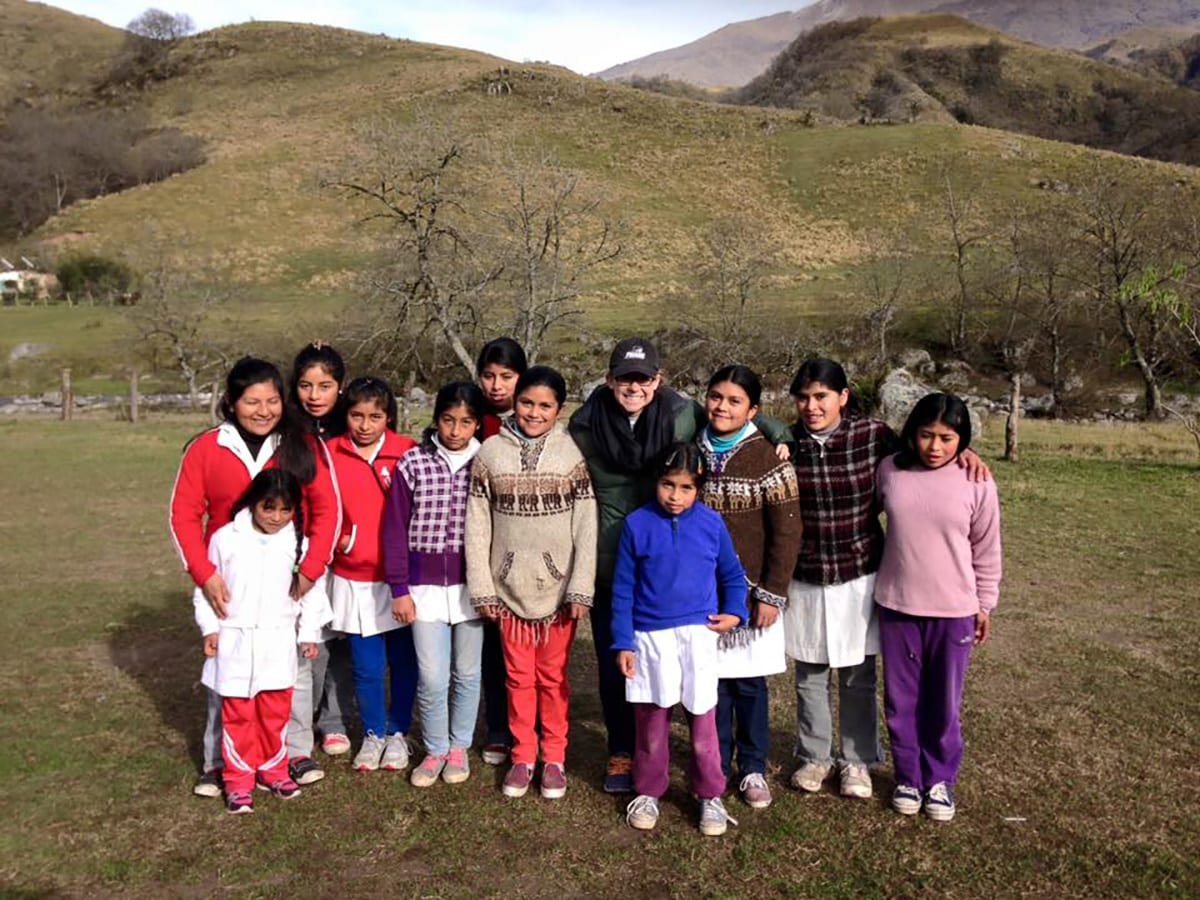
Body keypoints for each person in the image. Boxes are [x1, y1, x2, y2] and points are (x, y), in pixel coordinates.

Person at [569, 337, 792, 794]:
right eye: (624, 378)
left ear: (658, 379)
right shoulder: (587, 422)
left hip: (671, 557)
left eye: (643, 378)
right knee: (618, 665)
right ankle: (623, 750)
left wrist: (775, 428)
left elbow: (727, 410)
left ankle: (696, 758)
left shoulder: (680, 413)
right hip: (613, 557)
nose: (633, 387)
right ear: (610, 379)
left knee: (689, 672)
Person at [782, 359, 988, 801]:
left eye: (821, 396)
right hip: (807, 570)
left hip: (861, 571)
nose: (812, 406)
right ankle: (815, 755)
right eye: (803, 398)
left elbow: (926, 448)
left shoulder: (873, 437)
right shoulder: (786, 441)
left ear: (843, 396)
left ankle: (857, 760)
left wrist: (965, 450)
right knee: (810, 673)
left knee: (858, 673)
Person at [170, 356, 340, 798]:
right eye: (251, 402)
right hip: (228, 583)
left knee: (292, 675)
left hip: (288, 579)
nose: (263, 410)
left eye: (272, 400)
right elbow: (184, 516)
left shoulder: (301, 445)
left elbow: (327, 511)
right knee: (226, 673)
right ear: (231, 402)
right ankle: (219, 762)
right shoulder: (207, 447)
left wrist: (311, 568)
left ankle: (291, 754)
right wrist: (205, 576)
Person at [466, 366, 597, 800]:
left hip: (556, 592)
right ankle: (523, 756)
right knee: (518, 678)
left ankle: (554, 756)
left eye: (545, 406)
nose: (534, 413)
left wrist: (580, 587)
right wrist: (484, 585)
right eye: (526, 403)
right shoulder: (489, 454)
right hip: (508, 591)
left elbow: (585, 525)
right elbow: (478, 525)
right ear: (514, 402)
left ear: (559, 409)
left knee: (552, 677)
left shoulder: (570, 456)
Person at [875, 393, 1001, 822]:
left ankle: (940, 780)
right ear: (912, 432)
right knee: (900, 701)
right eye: (926, 435)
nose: (935, 447)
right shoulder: (890, 470)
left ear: (962, 439)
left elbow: (987, 549)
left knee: (943, 702)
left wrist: (985, 604)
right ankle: (908, 777)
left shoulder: (977, 481)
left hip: (954, 611)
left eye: (947, 438)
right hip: (897, 605)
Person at [613, 444, 748, 836]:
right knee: (653, 723)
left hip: (698, 635)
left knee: (704, 723)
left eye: (686, 488)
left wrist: (736, 611)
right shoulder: (637, 524)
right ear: (656, 482)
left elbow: (732, 575)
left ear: (699, 488)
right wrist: (624, 641)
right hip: (650, 637)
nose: (675, 496)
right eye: (668, 485)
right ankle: (650, 789)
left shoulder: (712, 524)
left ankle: (709, 794)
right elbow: (623, 589)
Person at [192, 469, 333, 814]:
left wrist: (310, 632)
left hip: (278, 643)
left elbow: (311, 593)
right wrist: (210, 628)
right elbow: (205, 588)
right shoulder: (226, 538)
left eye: (286, 511)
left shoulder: (299, 542)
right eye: (269, 508)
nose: (276, 518)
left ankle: (273, 770)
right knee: (238, 714)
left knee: (274, 712)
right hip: (235, 642)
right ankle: (238, 781)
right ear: (254, 503)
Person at [698, 366, 803, 811]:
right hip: (702, 597)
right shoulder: (692, 453)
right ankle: (717, 762)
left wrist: (771, 594)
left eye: (734, 401)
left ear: (753, 411)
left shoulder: (768, 461)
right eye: (716, 397)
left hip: (751, 595)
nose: (722, 407)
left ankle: (753, 765)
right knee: (713, 686)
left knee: (748, 686)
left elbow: (787, 534)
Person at [383, 382, 487, 788]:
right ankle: (435, 747)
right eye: (448, 420)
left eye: (465, 423)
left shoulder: (487, 462)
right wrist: (399, 588)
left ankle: (459, 746)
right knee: (432, 675)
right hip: (423, 589)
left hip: (471, 586)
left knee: (467, 672)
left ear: (477, 424)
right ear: (436, 420)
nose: (456, 431)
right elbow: (393, 529)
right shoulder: (413, 463)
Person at [326, 376, 419, 772]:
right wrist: (344, 540)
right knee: (365, 664)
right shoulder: (330, 453)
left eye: (375, 416)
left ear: (389, 417)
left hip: (401, 579)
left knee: (403, 660)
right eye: (357, 415)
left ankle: (398, 732)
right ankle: (373, 733)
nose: (365, 425)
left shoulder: (407, 452)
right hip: (354, 577)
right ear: (345, 415)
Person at [282, 342, 358, 782]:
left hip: (348, 552)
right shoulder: (289, 432)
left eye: (325, 386)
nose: (315, 395)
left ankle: (333, 719)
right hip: (305, 549)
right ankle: (300, 723)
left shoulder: (350, 428)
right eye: (306, 385)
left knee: (341, 637)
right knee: (310, 641)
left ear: (340, 387)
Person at [473, 338, 527, 766]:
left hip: (525, 549)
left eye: (506, 377)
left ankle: (529, 726)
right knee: (492, 645)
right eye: (488, 375)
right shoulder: (471, 420)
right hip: (481, 546)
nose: (496, 385)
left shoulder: (532, 420)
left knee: (525, 647)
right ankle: (497, 727)